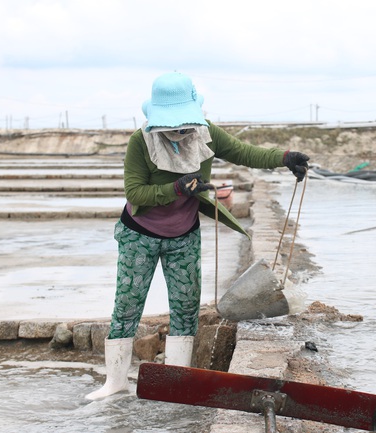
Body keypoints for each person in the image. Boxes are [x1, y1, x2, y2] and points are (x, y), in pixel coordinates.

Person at [85, 72, 309, 400]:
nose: (180, 130)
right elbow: (135, 192)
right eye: (173, 125)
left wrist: (284, 158)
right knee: (128, 305)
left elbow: (246, 153)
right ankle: (115, 382)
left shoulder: (206, 134)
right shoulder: (140, 142)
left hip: (184, 235)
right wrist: (175, 188)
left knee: (186, 307)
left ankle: (178, 382)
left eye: (185, 124)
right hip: (140, 236)